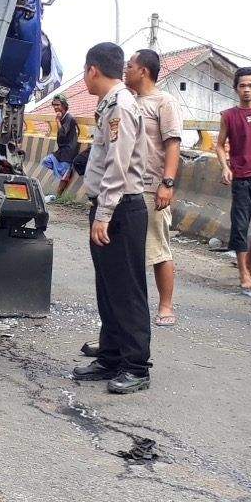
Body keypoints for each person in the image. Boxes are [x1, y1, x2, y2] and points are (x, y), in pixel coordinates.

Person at [71, 42, 151, 394]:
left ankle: (136, 366)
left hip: (121, 209)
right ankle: (111, 357)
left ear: (93, 70)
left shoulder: (120, 105)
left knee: (127, 291)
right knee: (108, 289)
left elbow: (118, 165)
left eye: (85, 72)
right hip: (108, 207)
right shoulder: (109, 104)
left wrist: (103, 214)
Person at [124, 48, 182, 325]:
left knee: (158, 248)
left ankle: (166, 307)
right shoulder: (128, 102)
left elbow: (173, 144)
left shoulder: (164, 102)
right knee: (128, 250)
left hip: (152, 187)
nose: (126, 70)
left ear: (143, 71)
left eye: (129, 66)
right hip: (128, 186)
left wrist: (166, 183)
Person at [215, 67, 251, 291]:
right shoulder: (229, 116)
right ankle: (243, 272)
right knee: (240, 227)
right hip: (241, 180)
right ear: (236, 89)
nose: (246, 90)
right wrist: (225, 167)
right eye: (242, 86)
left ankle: (250, 261)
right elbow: (219, 145)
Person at [41, 94, 79, 201]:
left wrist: (57, 120)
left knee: (64, 175)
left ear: (64, 105)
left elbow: (62, 133)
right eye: (54, 105)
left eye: (58, 105)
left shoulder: (68, 118)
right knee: (46, 161)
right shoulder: (62, 117)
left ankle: (58, 197)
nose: (55, 107)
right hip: (61, 150)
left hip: (68, 150)